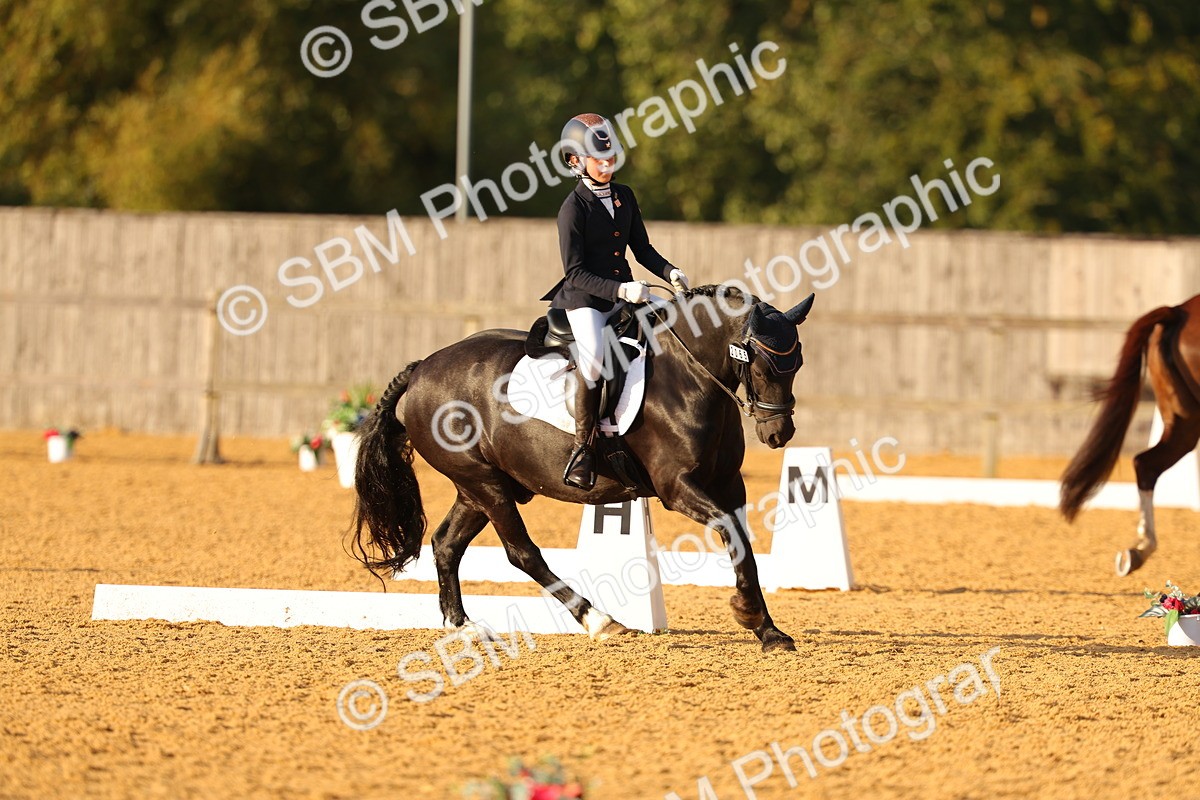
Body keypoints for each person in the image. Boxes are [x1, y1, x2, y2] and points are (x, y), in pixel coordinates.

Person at [540, 113, 690, 490]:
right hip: (586, 301)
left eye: (610, 157)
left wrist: (669, 271)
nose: (606, 165)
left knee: (664, 336)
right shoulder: (572, 210)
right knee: (592, 359)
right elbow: (575, 273)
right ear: (575, 161)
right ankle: (582, 450)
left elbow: (642, 249)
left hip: (626, 292)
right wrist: (621, 291)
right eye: (597, 158)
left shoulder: (625, 196)